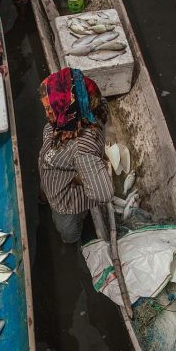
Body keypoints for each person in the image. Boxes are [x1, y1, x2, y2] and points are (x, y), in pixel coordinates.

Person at [37, 68, 113, 243]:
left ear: (68, 109)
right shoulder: (89, 107)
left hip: (67, 202)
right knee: (46, 188)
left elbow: (104, 193)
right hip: (51, 173)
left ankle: (71, 240)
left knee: (68, 231)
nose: (47, 113)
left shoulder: (81, 148)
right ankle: (44, 196)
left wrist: (81, 178)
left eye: (50, 109)